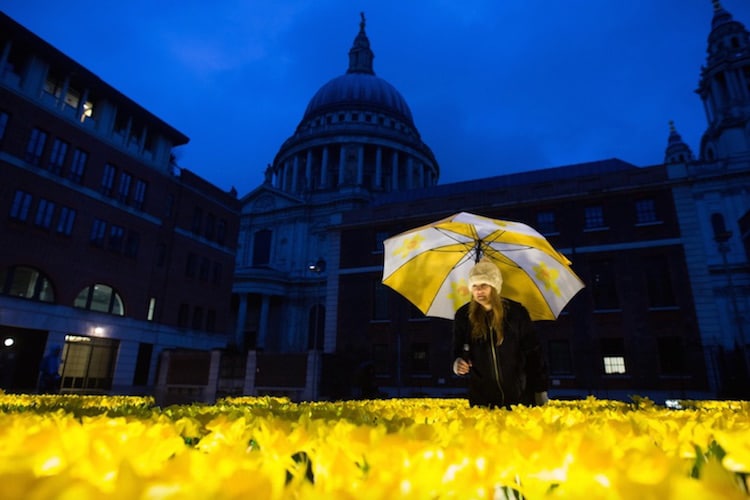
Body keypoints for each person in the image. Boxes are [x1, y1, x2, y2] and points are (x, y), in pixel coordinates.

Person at [452, 258, 550, 408]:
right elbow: (458, 348)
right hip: (483, 402)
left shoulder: (516, 313)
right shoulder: (463, 316)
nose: (479, 290)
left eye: (484, 284)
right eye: (475, 286)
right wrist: (458, 362)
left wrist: (540, 389)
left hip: (520, 400)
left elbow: (534, 353)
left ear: (495, 286)